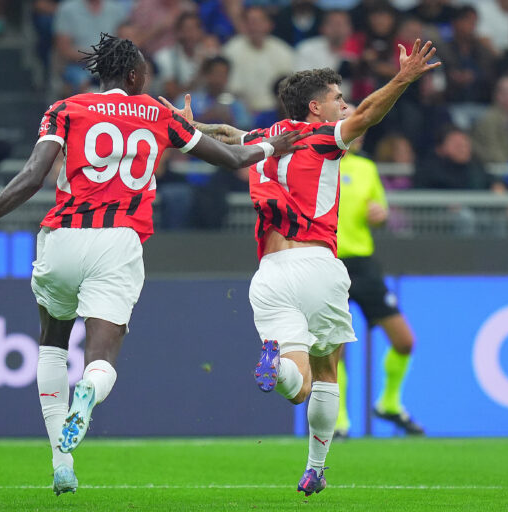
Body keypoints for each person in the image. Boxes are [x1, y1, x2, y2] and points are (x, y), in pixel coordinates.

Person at [0, 33, 308, 497]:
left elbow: (30, 179)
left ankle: (60, 464)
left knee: (52, 342)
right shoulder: (157, 112)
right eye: (144, 70)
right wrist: (275, 146)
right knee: (101, 360)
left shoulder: (65, 110)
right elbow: (233, 158)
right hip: (119, 243)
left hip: (62, 238)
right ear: (132, 75)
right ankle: (87, 391)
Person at [164, 38, 440, 495]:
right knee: (327, 372)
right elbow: (370, 112)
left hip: (271, 271)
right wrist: (403, 78)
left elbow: (228, 137)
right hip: (317, 263)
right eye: (337, 99)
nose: (345, 105)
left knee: (297, 384)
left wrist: (189, 129)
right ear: (315, 108)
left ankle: (280, 369)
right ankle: (315, 467)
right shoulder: (322, 138)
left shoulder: (263, 139)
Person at [333, 134, 424, 439]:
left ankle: (389, 403)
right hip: (328, 264)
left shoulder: (366, 168)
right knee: (335, 348)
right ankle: (339, 420)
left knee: (404, 340)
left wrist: (380, 216)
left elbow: (381, 214)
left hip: (364, 263)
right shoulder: (316, 164)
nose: (358, 134)